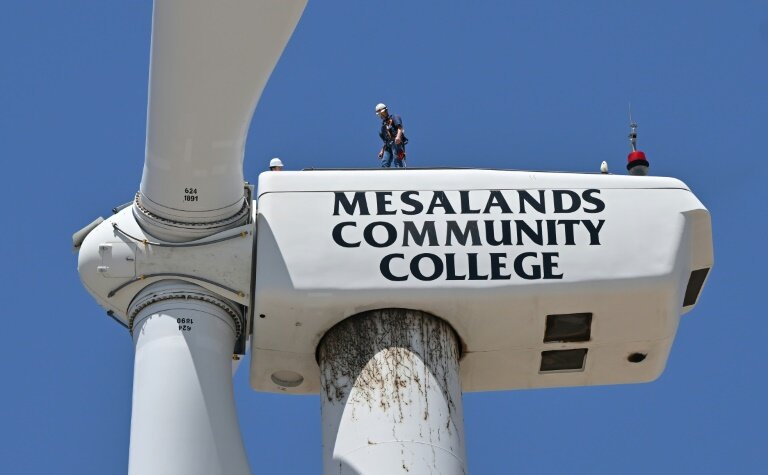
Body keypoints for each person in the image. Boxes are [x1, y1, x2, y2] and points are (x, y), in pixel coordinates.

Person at [375, 103, 407, 168]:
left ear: (386, 111)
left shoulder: (394, 117)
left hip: (396, 142)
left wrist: (398, 137)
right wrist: (382, 151)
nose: (381, 115)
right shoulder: (383, 127)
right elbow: (385, 141)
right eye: (380, 114)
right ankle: (384, 175)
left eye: (382, 113)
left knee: (397, 160)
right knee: (385, 162)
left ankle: (400, 173)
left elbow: (400, 128)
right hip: (388, 145)